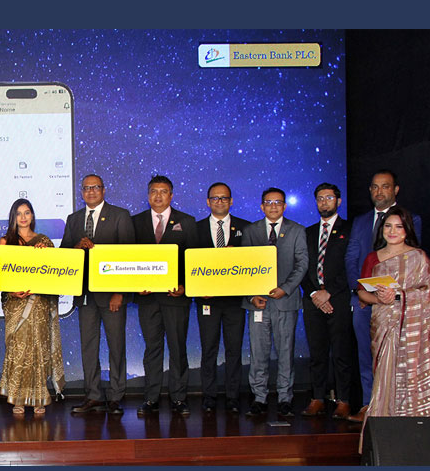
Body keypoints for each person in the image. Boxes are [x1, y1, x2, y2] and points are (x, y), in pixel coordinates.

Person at [345, 169, 422, 422]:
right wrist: (360, 293)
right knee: (366, 356)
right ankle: (369, 405)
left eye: (385, 186)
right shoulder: (361, 221)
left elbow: (412, 267)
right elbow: (351, 259)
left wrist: (393, 296)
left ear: (395, 189)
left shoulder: (411, 219)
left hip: (398, 307)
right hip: (363, 303)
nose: (380, 191)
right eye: (375, 187)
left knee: (398, 358)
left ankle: (397, 407)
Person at [61, 174, 135, 414]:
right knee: (88, 347)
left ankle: (115, 396)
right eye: (86, 188)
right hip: (84, 295)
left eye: (95, 187)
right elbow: (63, 255)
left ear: (103, 190)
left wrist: (119, 292)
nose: (91, 191)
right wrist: (76, 248)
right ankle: (93, 395)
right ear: (81, 192)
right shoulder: (73, 219)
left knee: (116, 345)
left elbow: (127, 256)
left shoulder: (120, 215)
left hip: (111, 295)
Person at [356, 206, 430, 421]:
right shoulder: (373, 258)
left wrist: (399, 296)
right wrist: (380, 299)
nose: (392, 231)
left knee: (409, 373)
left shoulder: (418, 258)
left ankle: (412, 423)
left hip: (412, 328)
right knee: (384, 373)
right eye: (388, 226)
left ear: (407, 230)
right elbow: (362, 293)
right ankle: (383, 421)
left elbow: (428, 292)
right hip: (383, 323)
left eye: (399, 227)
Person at [131, 175, 198, 416]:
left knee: (178, 348)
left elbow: (194, 259)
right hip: (148, 299)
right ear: (148, 195)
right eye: (153, 191)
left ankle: (179, 398)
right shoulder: (135, 222)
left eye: (163, 191)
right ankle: (151, 399)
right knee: (152, 349)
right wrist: (136, 285)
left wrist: (185, 286)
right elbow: (128, 259)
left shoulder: (187, 222)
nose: (158, 196)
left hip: (175, 298)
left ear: (171, 195)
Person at [242, 188, 308, 417]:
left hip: (285, 301)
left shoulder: (297, 230)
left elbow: (302, 264)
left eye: (278, 202)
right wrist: (251, 295)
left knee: (285, 352)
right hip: (258, 303)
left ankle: (284, 398)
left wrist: (285, 289)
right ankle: (259, 397)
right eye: (268, 202)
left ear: (284, 206)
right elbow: (242, 266)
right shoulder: (250, 231)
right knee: (258, 353)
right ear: (262, 206)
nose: (273, 206)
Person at [0, 199, 65, 416]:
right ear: (13, 217)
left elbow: (54, 272)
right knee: (18, 350)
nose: (23, 217)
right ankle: (17, 398)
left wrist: (44, 254)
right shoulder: (6, 242)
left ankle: (39, 398)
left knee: (38, 348)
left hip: (39, 304)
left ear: (32, 215)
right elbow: (1, 274)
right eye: (19, 213)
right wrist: (11, 292)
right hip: (16, 305)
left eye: (27, 213)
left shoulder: (44, 241)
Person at [194, 182, 250, 414]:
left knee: (234, 350)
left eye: (224, 198)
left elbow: (252, 263)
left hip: (235, 301)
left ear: (231, 201)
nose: (220, 201)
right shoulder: (195, 228)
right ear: (208, 202)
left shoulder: (245, 228)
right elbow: (188, 263)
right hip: (207, 300)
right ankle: (209, 396)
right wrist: (197, 288)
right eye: (215, 198)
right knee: (208, 349)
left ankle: (232, 396)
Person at [300, 183, 354, 419]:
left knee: (341, 351)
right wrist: (315, 294)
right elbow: (302, 267)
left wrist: (329, 292)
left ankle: (343, 400)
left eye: (329, 198)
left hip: (338, 298)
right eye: (320, 198)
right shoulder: (308, 232)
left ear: (338, 201)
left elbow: (351, 265)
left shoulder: (350, 229)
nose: (324, 202)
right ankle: (318, 398)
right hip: (313, 300)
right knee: (317, 352)